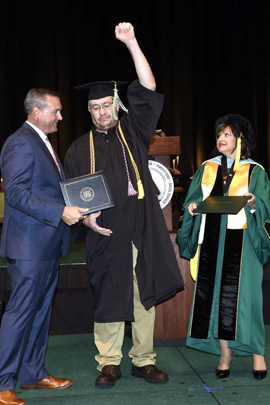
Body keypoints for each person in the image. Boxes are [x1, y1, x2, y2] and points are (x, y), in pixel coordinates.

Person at [64, 22, 184, 388]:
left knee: (143, 293)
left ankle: (144, 359)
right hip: (105, 235)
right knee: (109, 296)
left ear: (116, 103)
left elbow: (148, 88)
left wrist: (131, 43)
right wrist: (86, 222)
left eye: (106, 105)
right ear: (88, 110)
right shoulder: (76, 149)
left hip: (142, 229)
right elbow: (72, 199)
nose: (102, 112)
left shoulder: (132, 130)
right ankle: (109, 362)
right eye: (95, 107)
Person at [0, 88, 88, 405]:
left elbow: (49, 191)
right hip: (28, 248)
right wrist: (60, 212)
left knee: (39, 314)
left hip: (46, 245)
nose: (61, 117)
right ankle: (2, 384)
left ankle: (33, 373)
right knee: (20, 314)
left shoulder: (40, 142)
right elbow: (17, 195)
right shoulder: (21, 143)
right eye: (56, 111)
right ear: (37, 112)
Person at [177, 114, 270, 380]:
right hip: (213, 244)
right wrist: (192, 207)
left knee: (248, 299)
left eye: (228, 134)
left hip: (244, 243)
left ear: (240, 140)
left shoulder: (255, 170)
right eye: (219, 135)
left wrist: (253, 203)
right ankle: (225, 354)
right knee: (216, 297)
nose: (221, 139)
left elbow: (265, 205)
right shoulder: (207, 168)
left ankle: (257, 355)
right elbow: (192, 201)